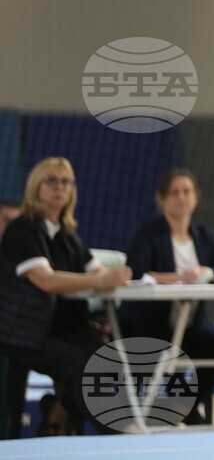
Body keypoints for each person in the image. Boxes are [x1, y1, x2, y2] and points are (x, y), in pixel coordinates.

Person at [0, 157, 131, 434]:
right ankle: (116, 438)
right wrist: (103, 278)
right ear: (36, 187)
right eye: (52, 181)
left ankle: (57, 417)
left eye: (66, 182)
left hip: (64, 330)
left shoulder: (68, 236)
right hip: (27, 334)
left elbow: (97, 273)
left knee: (112, 359)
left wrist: (119, 276)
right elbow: (46, 281)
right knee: (84, 364)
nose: (60, 187)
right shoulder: (22, 230)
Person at [120, 168, 214, 425]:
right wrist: (176, 278)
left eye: (187, 192)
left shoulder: (205, 236)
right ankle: (179, 409)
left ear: (196, 197)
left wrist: (205, 271)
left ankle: (182, 405)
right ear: (160, 199)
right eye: (174, 192)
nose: (181, 197)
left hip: (193, 323)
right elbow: (137, 273)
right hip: (151, 323)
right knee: (167, 353)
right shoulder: (148, 234)